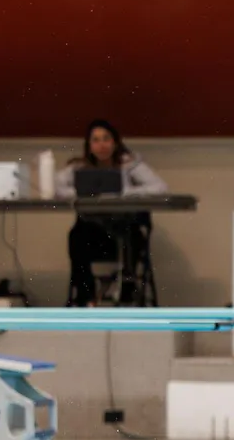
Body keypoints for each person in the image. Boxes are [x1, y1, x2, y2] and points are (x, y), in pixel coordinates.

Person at [55, 119, 169, 306]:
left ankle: (128, 289)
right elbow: (56, 187)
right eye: (96, 140)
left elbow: (160, 187)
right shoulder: (80, 167)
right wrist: (84, 193)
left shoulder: (129, 164)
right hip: (93, 234)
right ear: (89, 145)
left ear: (115, 143)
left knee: (132, 235)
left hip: (124, 230)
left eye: (106, 139)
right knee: (76, 235)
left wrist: (125, 193)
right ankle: (86, 295)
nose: (101, 145)